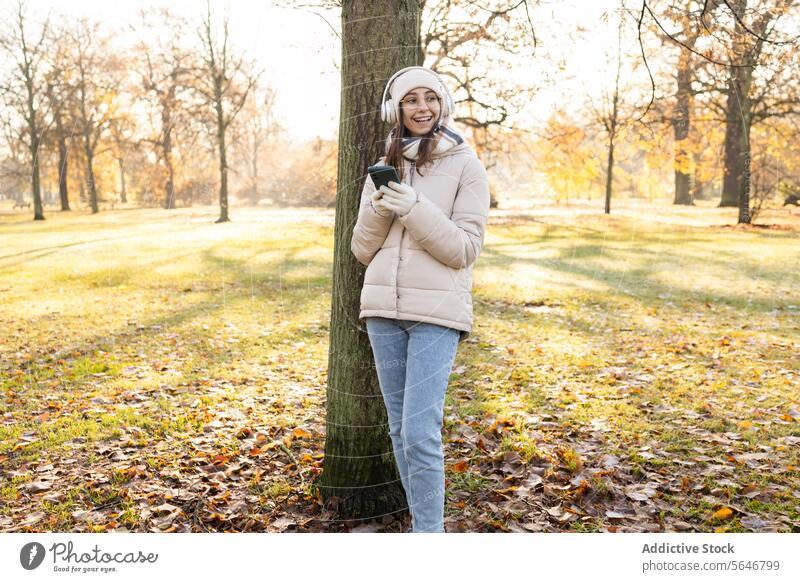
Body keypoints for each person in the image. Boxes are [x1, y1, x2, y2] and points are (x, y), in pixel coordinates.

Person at [350, 66, 491, 533]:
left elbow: (463, 250)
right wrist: (380, 202)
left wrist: (412, 207)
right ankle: (420, 530)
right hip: (383, 314)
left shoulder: (467, 166)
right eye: (412, 100)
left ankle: (429, 540)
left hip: (436, 314)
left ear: (443, 105)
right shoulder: (384, 166)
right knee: (398, 431)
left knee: (419, 433)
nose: (422, 107)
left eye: (430, 98)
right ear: (397, 108)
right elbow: (361, 249)